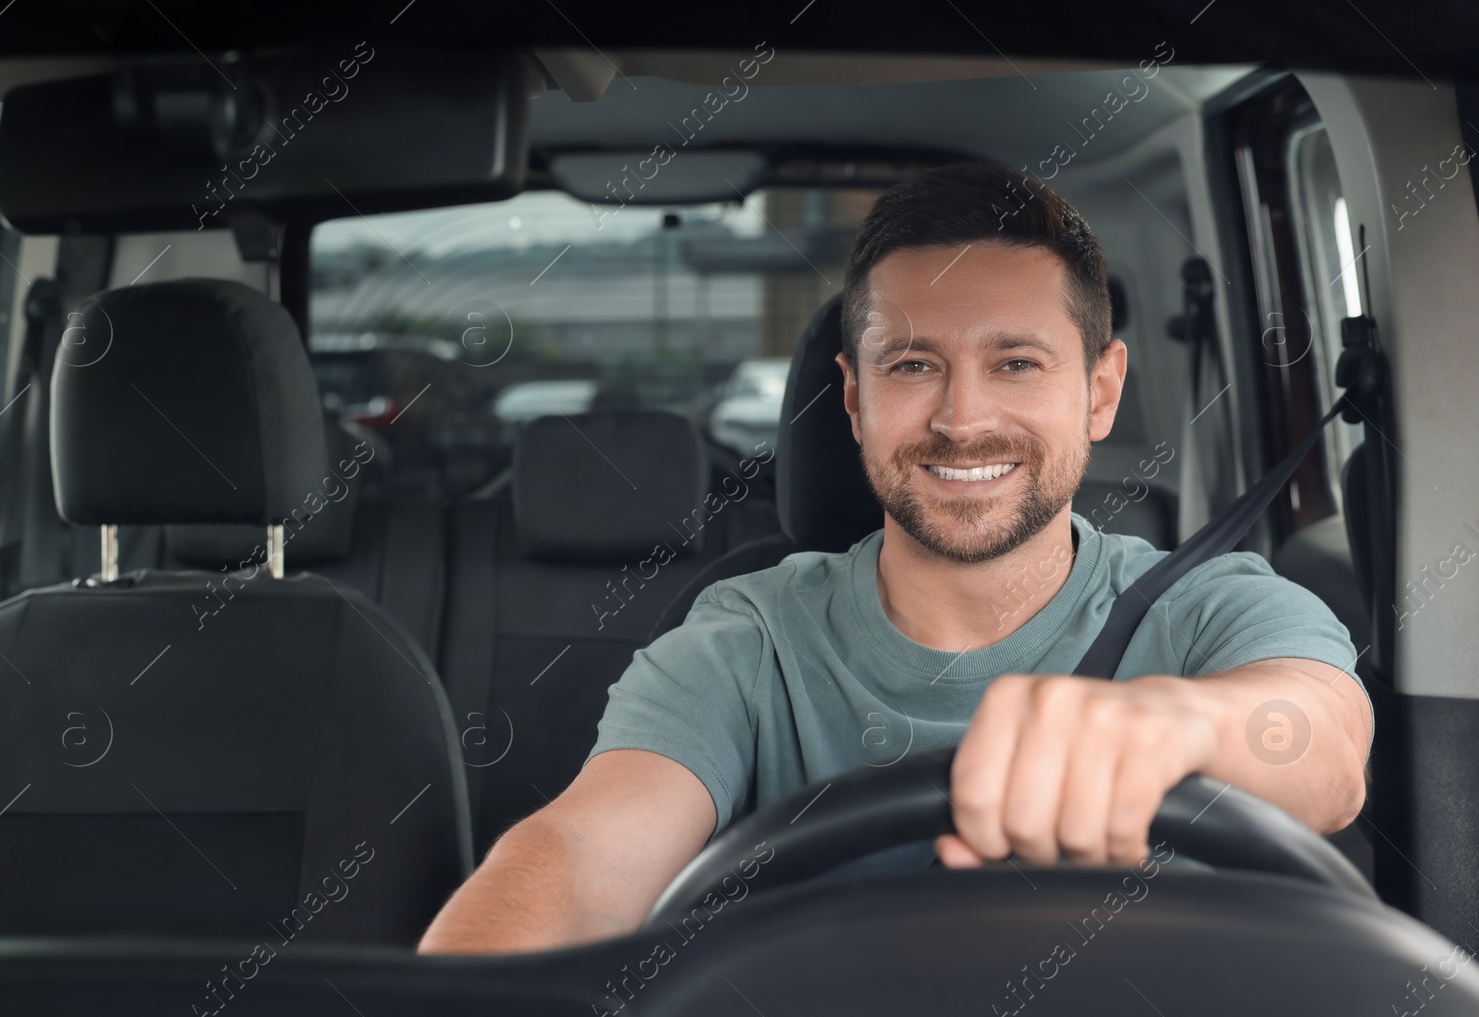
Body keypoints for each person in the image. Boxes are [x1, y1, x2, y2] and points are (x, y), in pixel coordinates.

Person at [416, 162, 1372, 955]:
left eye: (1016, 363)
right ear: (854, 396)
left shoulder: (1205, 607)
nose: (962, 420)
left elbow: (1326, 753)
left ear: (1101, 390)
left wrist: (1175, 725)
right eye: (913, 365)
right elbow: (585, 855)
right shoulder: (748, 638)